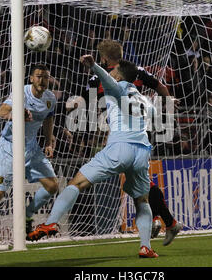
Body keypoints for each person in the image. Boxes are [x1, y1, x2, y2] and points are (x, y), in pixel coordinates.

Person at [27, 55, 159, 258]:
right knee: (142, 200)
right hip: (142, 151)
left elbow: (107, 81)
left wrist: (93, 66)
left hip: (119, 148)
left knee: (77, 183)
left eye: (114, 70)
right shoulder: (145, 100)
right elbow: (152, 117)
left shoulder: (118, 88)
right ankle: (145, 246)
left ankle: (50, 223)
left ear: (120, 75)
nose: (112, 72)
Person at [88, 39, 183, 245]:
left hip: (121, 133)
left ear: (103, 59)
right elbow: (160, 87)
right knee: (135, 179)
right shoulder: (138, 71)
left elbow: (96, 109)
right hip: (142, 128)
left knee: (136, 179)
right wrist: (167, 107)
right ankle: (163, 220)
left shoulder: (97, 78)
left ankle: (163, 220)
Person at [0, 64, 59, 246]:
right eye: (39, 76)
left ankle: (27, 215)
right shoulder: (21, 93)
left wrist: (48, 141)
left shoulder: (50, 99)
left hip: (31, 148)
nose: (42, 80)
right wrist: (17, 114)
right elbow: (0, 112)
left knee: (52, 186)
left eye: (46, 77)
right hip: (10, 147)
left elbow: (49, 118)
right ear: (31, 78)